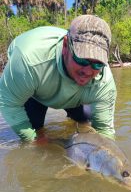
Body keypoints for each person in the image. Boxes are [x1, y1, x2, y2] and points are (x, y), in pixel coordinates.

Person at [0, 15, 117, 143]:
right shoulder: (27, 62)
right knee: (35, 136)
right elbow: (8, 103)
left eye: (98, 63)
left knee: (86, 122)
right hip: (36, 89)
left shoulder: (105, 80)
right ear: (66, 45)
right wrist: (34, 140)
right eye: (82, 59)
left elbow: (105, 132)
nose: (88, 71)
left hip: (75, 95)